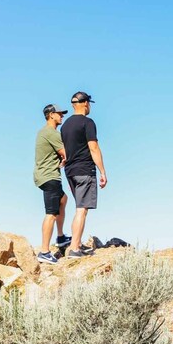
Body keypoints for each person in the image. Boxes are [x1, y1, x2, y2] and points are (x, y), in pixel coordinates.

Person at [61, 91, 107, 259]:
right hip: (84, 170)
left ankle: (77, 243)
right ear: (85, 103)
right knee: (82, 210)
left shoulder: (65, 125)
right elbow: (93, 147)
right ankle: (74, 248)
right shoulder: (87, 123)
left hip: (70, 171)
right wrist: (102, 171)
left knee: (78, 208)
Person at [33, 104, 72, 264]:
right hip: (49, 177)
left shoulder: (45, 132)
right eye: (59, 114)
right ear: (51, 115)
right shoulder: (51, 132)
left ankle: (61, 237)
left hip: (47, 176)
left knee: (63, 199)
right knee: (51, 213)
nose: (62, 116)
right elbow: (66, 153)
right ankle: (44, 251)